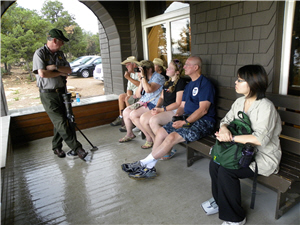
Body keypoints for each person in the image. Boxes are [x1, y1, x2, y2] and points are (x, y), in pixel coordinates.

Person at [202, 65, 282, 225]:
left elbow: (260, 140)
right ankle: (220, 201)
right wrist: (224, 129)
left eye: (240, 80)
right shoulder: (240, 102)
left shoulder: (265, 106)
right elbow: (225, 120)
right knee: (215, 163)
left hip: (261, 155)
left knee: (226, 171)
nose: (235, 82)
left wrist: (230, 138)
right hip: (238, 150)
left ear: (253, 82)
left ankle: (235, 218)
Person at [121, 56, 216, 179]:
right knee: (161, 132)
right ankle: (150, 167)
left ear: (196, 67)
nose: (184, 67)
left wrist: (185, 122)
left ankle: (143, 163)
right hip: (187, 118)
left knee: (171, 137)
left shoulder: (205, 84)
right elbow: (182, 105)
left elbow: (203, 110)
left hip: (204, 122)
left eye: (187, 65)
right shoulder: (189, 85)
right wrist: (178, 116)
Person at [32, 28, 88, 161]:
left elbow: (68, 70)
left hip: (62, 93)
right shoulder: (40, 53)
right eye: (61, 41)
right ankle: (77, 148)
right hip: (48, 95)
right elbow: (43, 74)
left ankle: (56, 147)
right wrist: (59, 73)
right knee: (61, 122)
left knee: (63, 121)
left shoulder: (60, 54)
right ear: (55, 40)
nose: (62, 44)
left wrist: (55, 68)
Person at [139, 59, 186, 154]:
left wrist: (162, 109)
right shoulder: (167, 82)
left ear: (177, 72)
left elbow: (178, 103)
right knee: (143, 118)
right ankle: (160, 144)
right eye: (168, 67)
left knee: (153, 120)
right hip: (164, 109)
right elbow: (161, 97)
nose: (167, 69)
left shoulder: (180, 82)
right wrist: (156, 108)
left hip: (174, 110)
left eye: (170, 68)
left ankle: (166, 150)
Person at [118, 60, 165, 143]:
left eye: (143, 69)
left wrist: (143, 77)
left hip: (154, 104)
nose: (140, 71)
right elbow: (138, 95)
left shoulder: (158, 77)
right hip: (144, 102)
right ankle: (130, 134)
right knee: (126, 112)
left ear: (150, 69)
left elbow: (149, 90)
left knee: (133, 115)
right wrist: (141, 81)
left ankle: (149, 138)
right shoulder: (145, 78)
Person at [110, 56, 140, 127]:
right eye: (126, 65)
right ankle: (121, 117)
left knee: (127, 98)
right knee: (121, 96)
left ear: (134, 64)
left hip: (140, 95)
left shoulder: (139, 72)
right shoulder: (131, 74)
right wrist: (129, 95)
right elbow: (129, 89)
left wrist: (128, 78)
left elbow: (141, 84)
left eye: (128, 65)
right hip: (134, 95)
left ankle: (130, 121)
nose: (126, 67)